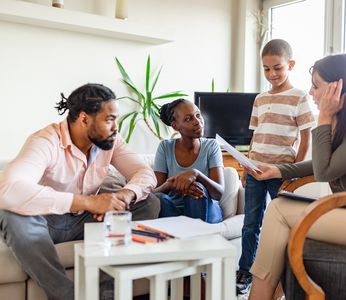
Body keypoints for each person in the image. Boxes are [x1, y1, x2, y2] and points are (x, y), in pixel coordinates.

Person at [245, 53, 346, 300]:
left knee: (278, 209)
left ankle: (258, 296)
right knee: (280, 214)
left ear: (338, 86)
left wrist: (325, 117)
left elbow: (325, 170)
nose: (311, 92)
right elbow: (327, 163)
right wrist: (280, 170)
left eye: (316, 85)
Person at [0, 83, 159, 300]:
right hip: (47, 223)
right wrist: (87, 202)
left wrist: (126, 194)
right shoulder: (45, 141)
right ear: (84, 119)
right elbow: (8, 188)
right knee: (12, 215)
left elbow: (144, 173)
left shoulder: (111, 140)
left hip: (86, 222)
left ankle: (106, 293)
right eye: (109, 119)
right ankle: (67, 296)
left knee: (149, 202)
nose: (116, 128)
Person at [237, 39, 315, 294]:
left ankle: (285, 276)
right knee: (250, 223)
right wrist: (247, 163)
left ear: (290, 65)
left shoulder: (299, 96)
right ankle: (245, 270)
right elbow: (256, 134)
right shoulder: (260, 99)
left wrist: (293, 169)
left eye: (277, 68)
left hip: (280, 172)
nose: (272, 74)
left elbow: (306, 137)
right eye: (266, 69)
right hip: (255, 171)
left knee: (284, 224)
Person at [153, 99, 225, 224]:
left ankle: (194, 235)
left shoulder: (211, 146)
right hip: (174, 211)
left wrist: (196, 174)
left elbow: (219, 193)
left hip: (207, 210)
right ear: (175, 126)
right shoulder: (165, 147)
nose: (198, 122)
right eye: (188, 119)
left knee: (197, 187)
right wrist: (169, 186)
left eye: (198, 115)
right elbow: (153, 192)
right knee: (159, 198)